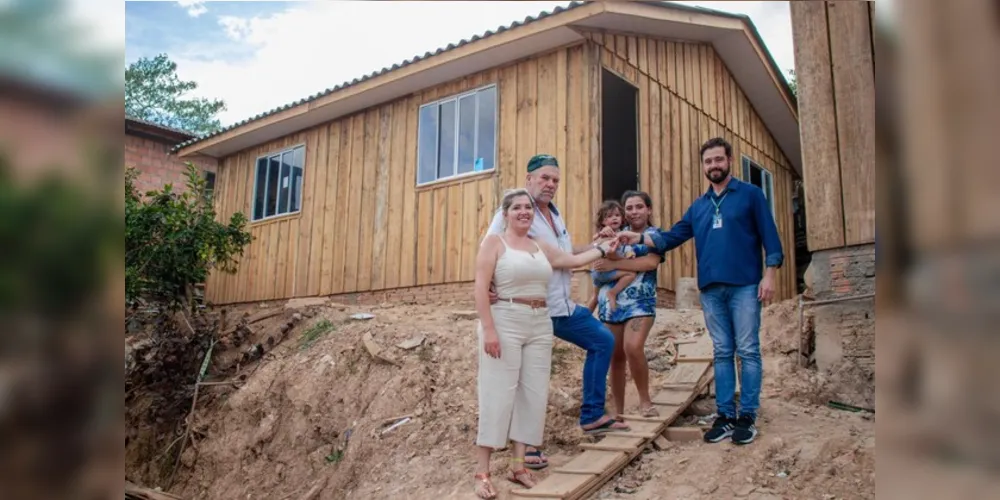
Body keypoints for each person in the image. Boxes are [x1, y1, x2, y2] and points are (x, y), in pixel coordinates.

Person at [617, 137, 784, 445]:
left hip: (746, 285)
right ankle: (724, 416)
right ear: (703, 166)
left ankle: (746, 415)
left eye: (718, 160)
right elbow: (670, 238)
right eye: (708, 162)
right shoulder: (699, 207)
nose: (713, 166)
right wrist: (635, 237)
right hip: (710, 289)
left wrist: (769, 274)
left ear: (730, 160)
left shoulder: (750, 195)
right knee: (721, 352)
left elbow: (770, 237)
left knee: (747, 350)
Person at [473, 188, 620, 499]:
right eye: (517, 208)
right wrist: (489, 330)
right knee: (498, 393)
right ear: (505, 213)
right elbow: (480, 288)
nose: (524, 212)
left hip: (540, 322)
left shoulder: (539, 245)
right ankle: (482, 472)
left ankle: (518, 466)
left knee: (533, 393)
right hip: (505, 319)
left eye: (528, 208)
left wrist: (603, 248)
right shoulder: (493, 243)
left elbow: (572, 259)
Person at [485, 155, 630, 444]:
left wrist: (598, 244)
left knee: (602, 340)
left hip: (561, 307)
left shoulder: (555, 213)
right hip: (531, 308)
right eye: (545, 178)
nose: (550, 184)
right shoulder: (517, 209)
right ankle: (523, 447)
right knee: (527, 380)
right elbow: (488, 247)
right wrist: (489, 282)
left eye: (555, 180)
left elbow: (566, 254)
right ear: (529, 179)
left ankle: (592, 416)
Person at [591, 191, 666, 419]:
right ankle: (619, 412)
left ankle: (645, 401)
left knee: (633, 347)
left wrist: (616, 265)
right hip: (611, 302)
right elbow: (597, 259)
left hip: (641, 301)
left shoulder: (654, 235)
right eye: (629, 208)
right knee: (615, 356)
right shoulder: (615, 235)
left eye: (639, 207)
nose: (634, 212)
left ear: (648, 210)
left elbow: (650, 263)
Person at [586, 200, 638, 313]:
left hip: (596, 270)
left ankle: (583, 318)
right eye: (609, 216)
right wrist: (601, 233)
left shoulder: (622, 232)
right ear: (603, 221)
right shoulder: (605, 233)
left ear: (622, 218)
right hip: (603, 271)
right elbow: (595, 239)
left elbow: (626, 246)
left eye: (617, 215)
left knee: (594, 297)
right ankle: (613, 292)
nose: (614, 218)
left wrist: (629, 252)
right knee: (631, 273)